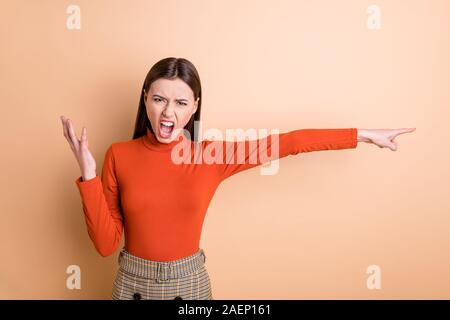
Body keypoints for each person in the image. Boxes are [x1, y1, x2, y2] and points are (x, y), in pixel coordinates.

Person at [60, 57, 415, 300]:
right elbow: (106, 246)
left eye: (181, 102)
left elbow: (288, 143)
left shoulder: (210, 157)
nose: (168, 112)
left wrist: (364, 134)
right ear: (145, 99)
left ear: (195, 106)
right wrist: (89, 176)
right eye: (158, 99)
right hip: (131, 285)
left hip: (190, 286)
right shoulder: (119, 155)